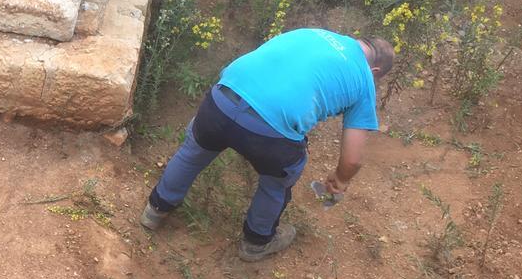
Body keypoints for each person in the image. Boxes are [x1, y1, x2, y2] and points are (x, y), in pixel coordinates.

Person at [140, 28, 394, 261]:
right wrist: (339, 180)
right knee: (279, 179)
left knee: (193, 152)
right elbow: (352, 159)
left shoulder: (315, 33)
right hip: (268, 134)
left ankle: (156, 210)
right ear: (374, 72)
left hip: (221, 100)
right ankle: (256, 242)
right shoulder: (363, 78)